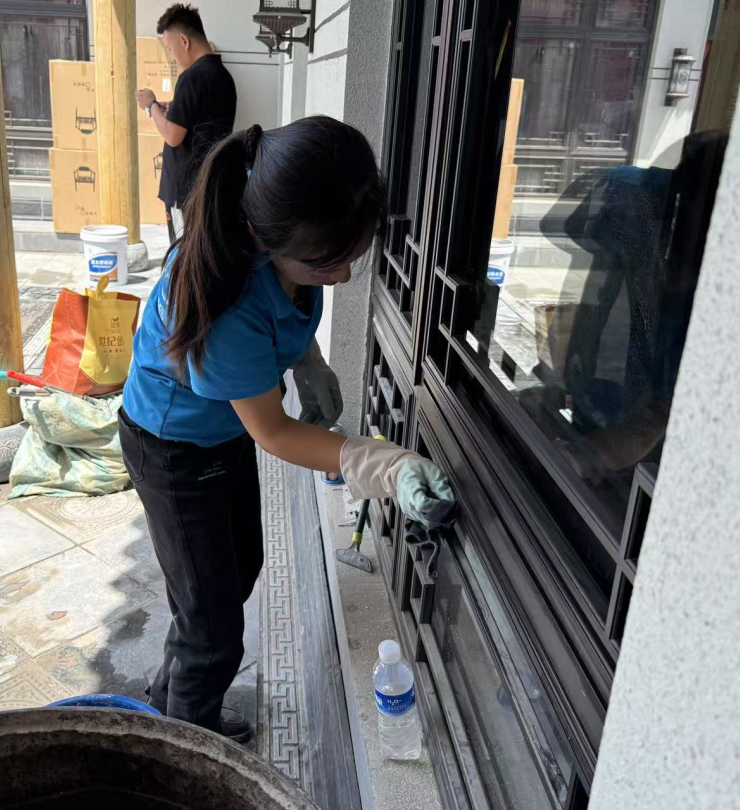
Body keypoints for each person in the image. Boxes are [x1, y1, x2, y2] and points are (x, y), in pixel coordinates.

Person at [119, 116, 456, 742]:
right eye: (329, 264)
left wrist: (309, 361)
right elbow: (273, 432)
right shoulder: (226, 300)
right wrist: (384, 463)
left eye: (351, 258)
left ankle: (171, 693)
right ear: (264, 240)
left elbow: (287, 325)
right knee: (213, 627)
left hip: (221, 433)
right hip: (172, 450)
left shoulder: (291, 255)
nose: (344, 277)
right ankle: (183, 745)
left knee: (238, 569)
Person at [136, 4, 237, 242]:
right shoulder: (224, 77)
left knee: (183, 252)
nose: (172, 56)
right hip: (210, 183)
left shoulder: (191, 77)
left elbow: (173, 136)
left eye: (171, 48)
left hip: (184, 190)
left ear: (184, 41)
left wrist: (151, 105)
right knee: (202, 248)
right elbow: (202, 119)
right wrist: (174, 109)